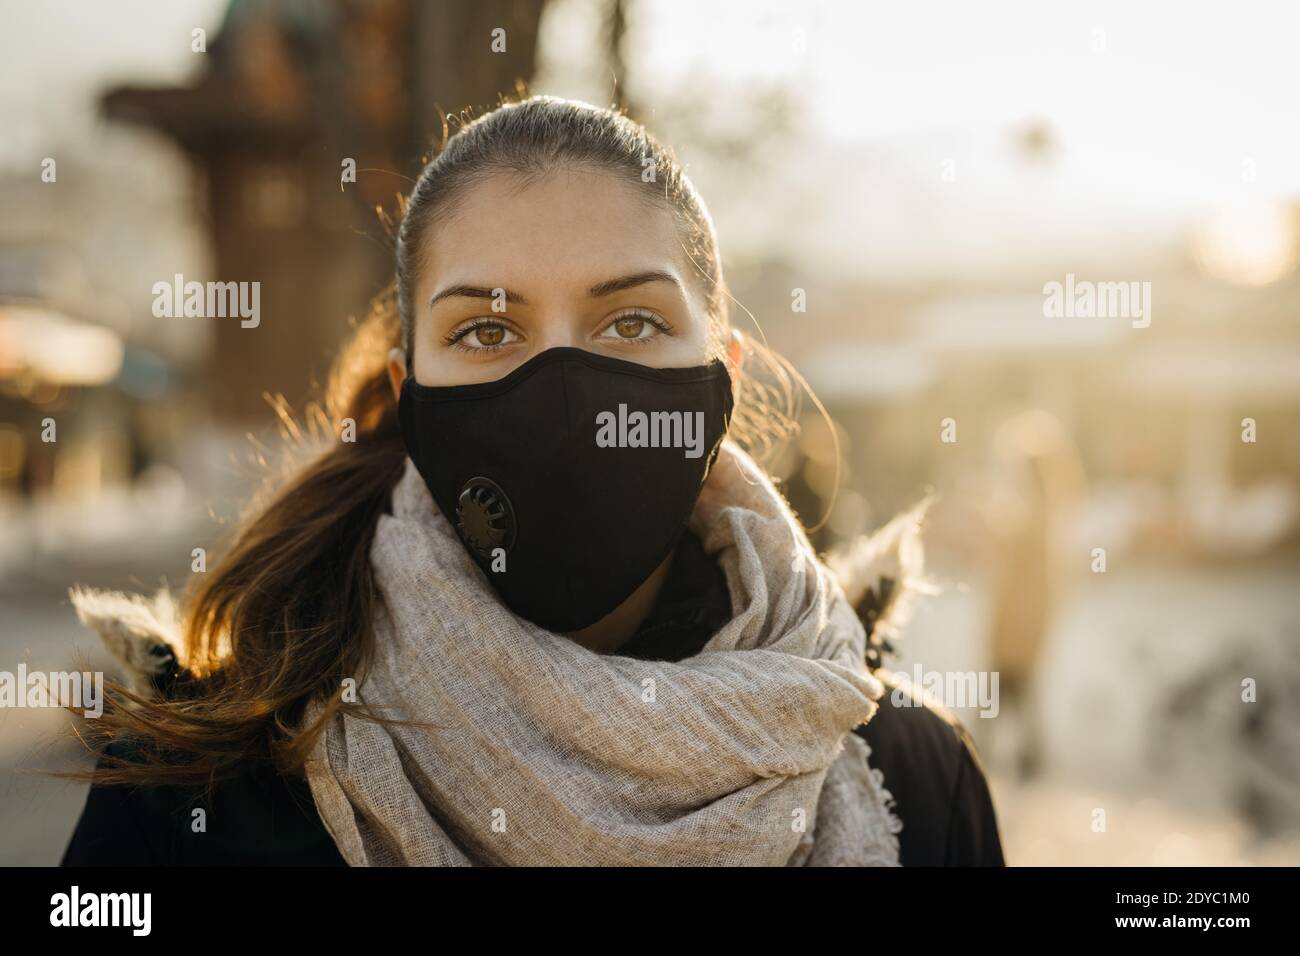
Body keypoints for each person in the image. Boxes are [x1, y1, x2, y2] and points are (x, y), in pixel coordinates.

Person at [59, 96, 1003, 867]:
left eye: (631, 323)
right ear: (411, 394)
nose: (563, 393)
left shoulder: (913, 781)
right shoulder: (196, 797)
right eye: (484, 331)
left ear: (725, 381)